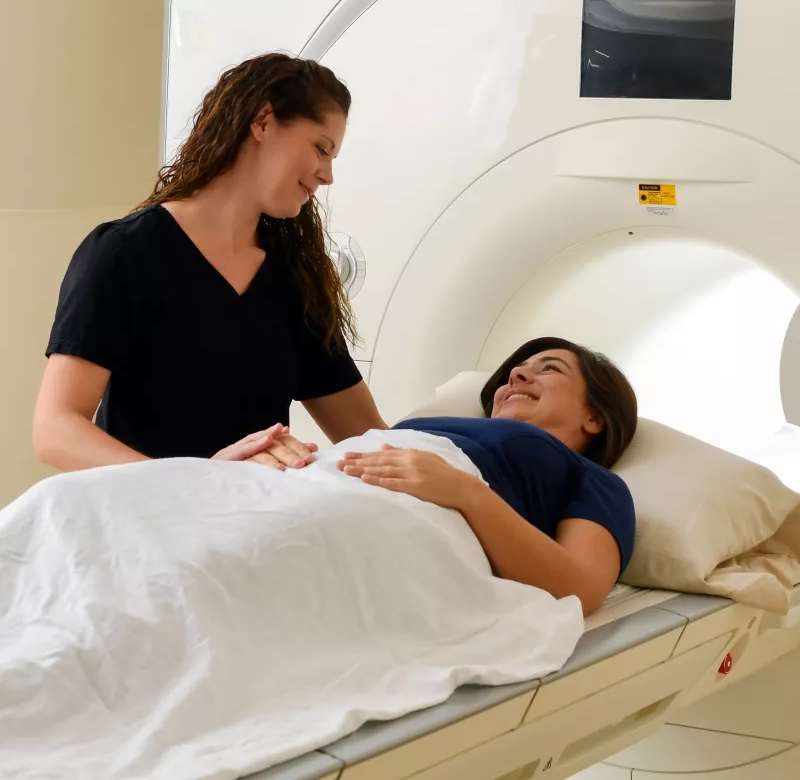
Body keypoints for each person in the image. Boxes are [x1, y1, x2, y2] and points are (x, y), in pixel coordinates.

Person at [33, 53, 386, 473]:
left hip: (255, 523)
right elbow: (55, 429)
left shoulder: (295, 283)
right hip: (151, 517)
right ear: (263, 121)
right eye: (321, 149)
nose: (327, 175)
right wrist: (195, 485)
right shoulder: (124, 253)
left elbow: (367, 436)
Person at [337, 337, 638, 615]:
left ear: (595, 417)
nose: (515, 376)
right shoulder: (443, 424)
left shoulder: (595, 480)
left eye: (550, 369)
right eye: (516, 372)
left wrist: (466, 491)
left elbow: (581, 589)